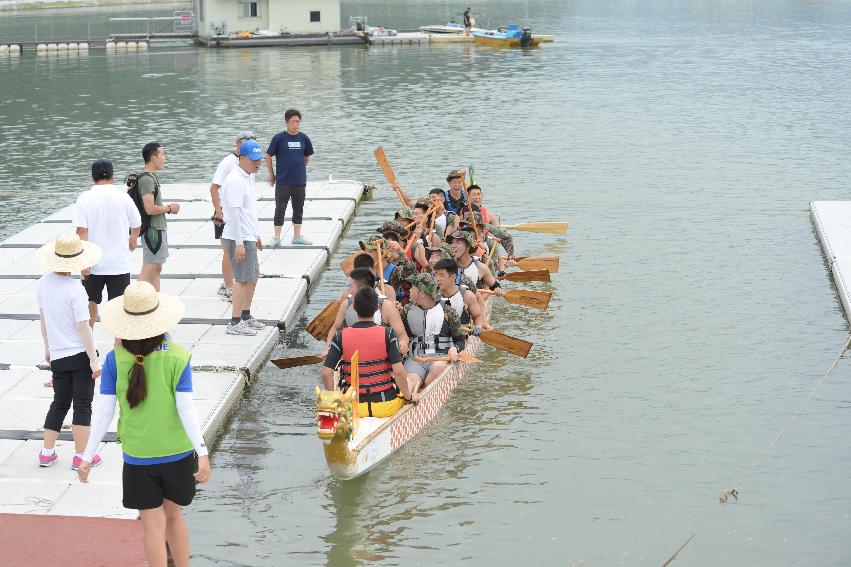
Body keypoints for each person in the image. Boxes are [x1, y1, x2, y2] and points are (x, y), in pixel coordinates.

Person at [77, 281, 211, 567]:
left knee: (151, 523)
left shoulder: (114, 361)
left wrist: (87, 456)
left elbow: (103, 412)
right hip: (177, 452)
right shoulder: (178, 357)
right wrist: (202, 452)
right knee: (174, 516)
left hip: (139, 456)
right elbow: (186, 408)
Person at [36, 232, 103, 469]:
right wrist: (93, 360)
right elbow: (83, 328)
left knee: (59, 402)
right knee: (82, 404)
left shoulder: (43, 283)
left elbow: (44, 320)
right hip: (80, 354)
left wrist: (48, 348)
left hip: (58, 354)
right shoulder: (76, 289)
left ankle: (47, 452)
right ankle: (81, 456)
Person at [323, 287, 419, 417]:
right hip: (385, 406)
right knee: (409, 384)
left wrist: (333, 401)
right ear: (377, 309)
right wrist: (408, 397)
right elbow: (399, 372)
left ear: (354, 308)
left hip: (352, 406)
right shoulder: (388, 334)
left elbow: (327, 373)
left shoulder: (340, 336)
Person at [73, 159, 141, 327]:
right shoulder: (123, 197)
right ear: (113, 175)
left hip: (92, 263)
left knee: (90, 302)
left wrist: (82, 261)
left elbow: (81, 231)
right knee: (118, 308)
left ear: (92, 177)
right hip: (119, 263)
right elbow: (137, 223)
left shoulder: (85, 198)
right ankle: (118, 349)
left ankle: (87, 347)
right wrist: (132, 239)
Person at [221, 139, 266, 336]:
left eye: (260, 160)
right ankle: (235, 321)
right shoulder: (235, 180)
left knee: (253, 277)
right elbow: (234, 214)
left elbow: (249, 212)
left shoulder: (247, 176)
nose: (258, 164)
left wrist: (256, 234)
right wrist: (239, 243)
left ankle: (246, 316)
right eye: (254, 160)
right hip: (236, 237)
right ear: (243, 158)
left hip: (248, 235)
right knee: (241, 280)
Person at [210, 131, 256, 302]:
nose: (248, 145)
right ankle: (229, 287)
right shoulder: (228, 162)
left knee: (235, 253)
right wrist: (218, 211)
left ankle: (228, 282)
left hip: (239, 214)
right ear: (237, 143)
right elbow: (214, 188)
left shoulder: (248, 162)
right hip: (224, 213)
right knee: (228, 253)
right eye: (245, 142)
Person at [324, 267, 409, 357]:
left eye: (351, 286)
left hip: (379, 357)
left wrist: (402, 344)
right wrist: (328, 347)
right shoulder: (346, 304)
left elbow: (402, 335)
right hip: (353, 356)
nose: (348, 290)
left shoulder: (386, 306)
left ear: (362, 289)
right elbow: (335, 328)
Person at [401, 273, 466, 389]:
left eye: (413, 287)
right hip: (416, 359)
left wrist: (454, 348)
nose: (410, 290)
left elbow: (460, 341)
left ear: (421, 293)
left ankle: (425, 389)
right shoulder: (406, 311)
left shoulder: (448, 312)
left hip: (440, 358)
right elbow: (401, 335)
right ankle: (414, 392)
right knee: (410, 383)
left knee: (437, 369)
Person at [265, 108, 315, 246]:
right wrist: (272, 174)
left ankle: (297, 236)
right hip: (283, 181)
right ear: (286, 122)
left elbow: (306, 157)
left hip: (299, 181)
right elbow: (268, 155)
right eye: (293, 121)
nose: (296, 124)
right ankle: (276, 237)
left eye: (298, 122)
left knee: (298, 208)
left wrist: (298, 168)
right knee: (280, 208)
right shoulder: (279, 138)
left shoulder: (304, 138)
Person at [138, 142, 181, 292]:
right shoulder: (147, 180)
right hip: (152, 231)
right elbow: (149, 209)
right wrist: (169, 208)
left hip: (157, 229)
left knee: (156, 269)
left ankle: (155, 303)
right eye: (162, 154)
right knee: (148, 270)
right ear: (153, 158)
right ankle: (133, 303)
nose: (165, 157)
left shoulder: (151, 177)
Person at [434, 258, 485, 328]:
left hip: (461, 337)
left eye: (441, 275)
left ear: (453, 277)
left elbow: (478, 316)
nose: (437, 278)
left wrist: (478, 326)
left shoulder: (467, 296)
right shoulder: (432, 295)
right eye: (435, 274)